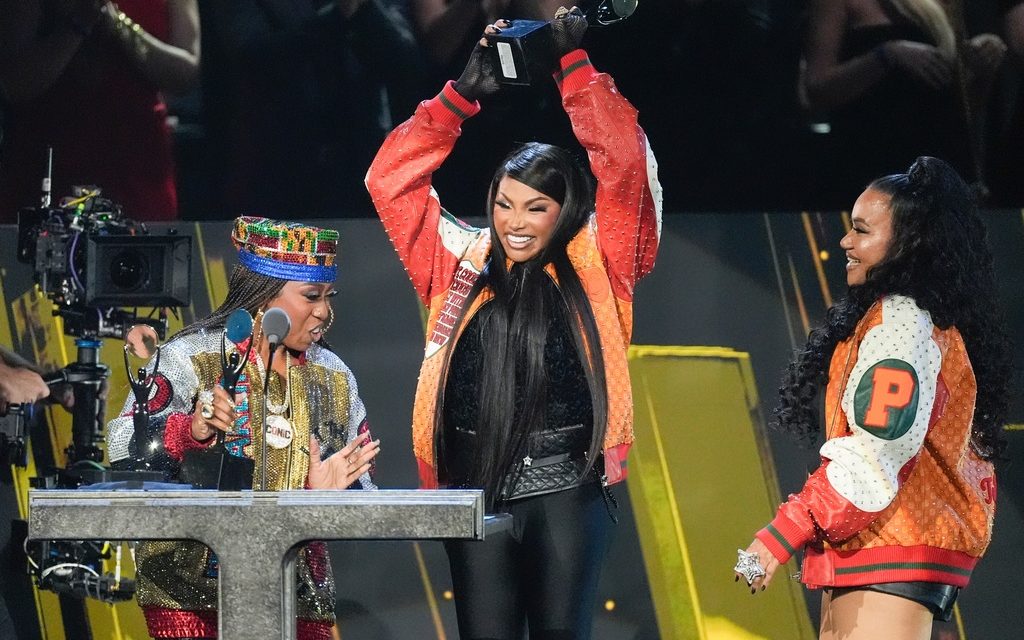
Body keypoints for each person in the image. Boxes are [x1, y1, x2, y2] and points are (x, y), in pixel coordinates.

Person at [365, 7, 661, 638]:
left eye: (536, 207)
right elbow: (390, 182)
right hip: (473, 483)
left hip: (566, 488)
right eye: (503, 204)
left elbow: (625, 165)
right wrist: (460, 97)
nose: (515, 222)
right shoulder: (458, 261)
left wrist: (570, 65)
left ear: (567, 209)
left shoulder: (601, 260)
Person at [735, 157, 1012, 640]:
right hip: (881, 557)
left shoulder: (901, 321)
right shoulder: (907, 320)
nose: (845, 241)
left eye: (861, 231)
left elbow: (874, 456)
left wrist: (779, 537)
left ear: (909, 245)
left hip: (888, 556)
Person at [106, 217, 381, 640]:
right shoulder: (190, 358)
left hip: (297, 590)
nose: (325, 312)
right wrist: (190, 430)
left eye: (329, 296)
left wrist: (321, 499)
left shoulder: (334, 375)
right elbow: (120, 444)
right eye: (311, 296)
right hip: (186, 592)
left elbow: (366, 495)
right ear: (263, 297)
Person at [0, 0, 199, 222]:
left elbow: (185, 75)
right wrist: (79, 24)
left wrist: (117, 24)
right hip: (53, 158)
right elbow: (15, 83)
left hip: (139, 160)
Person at [802, 0, 1006, 206]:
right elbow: (817, 90)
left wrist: (980, 64)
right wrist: (887, 55)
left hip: (938, 167)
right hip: (870, 161)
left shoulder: (945, 5)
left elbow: (961, 107)